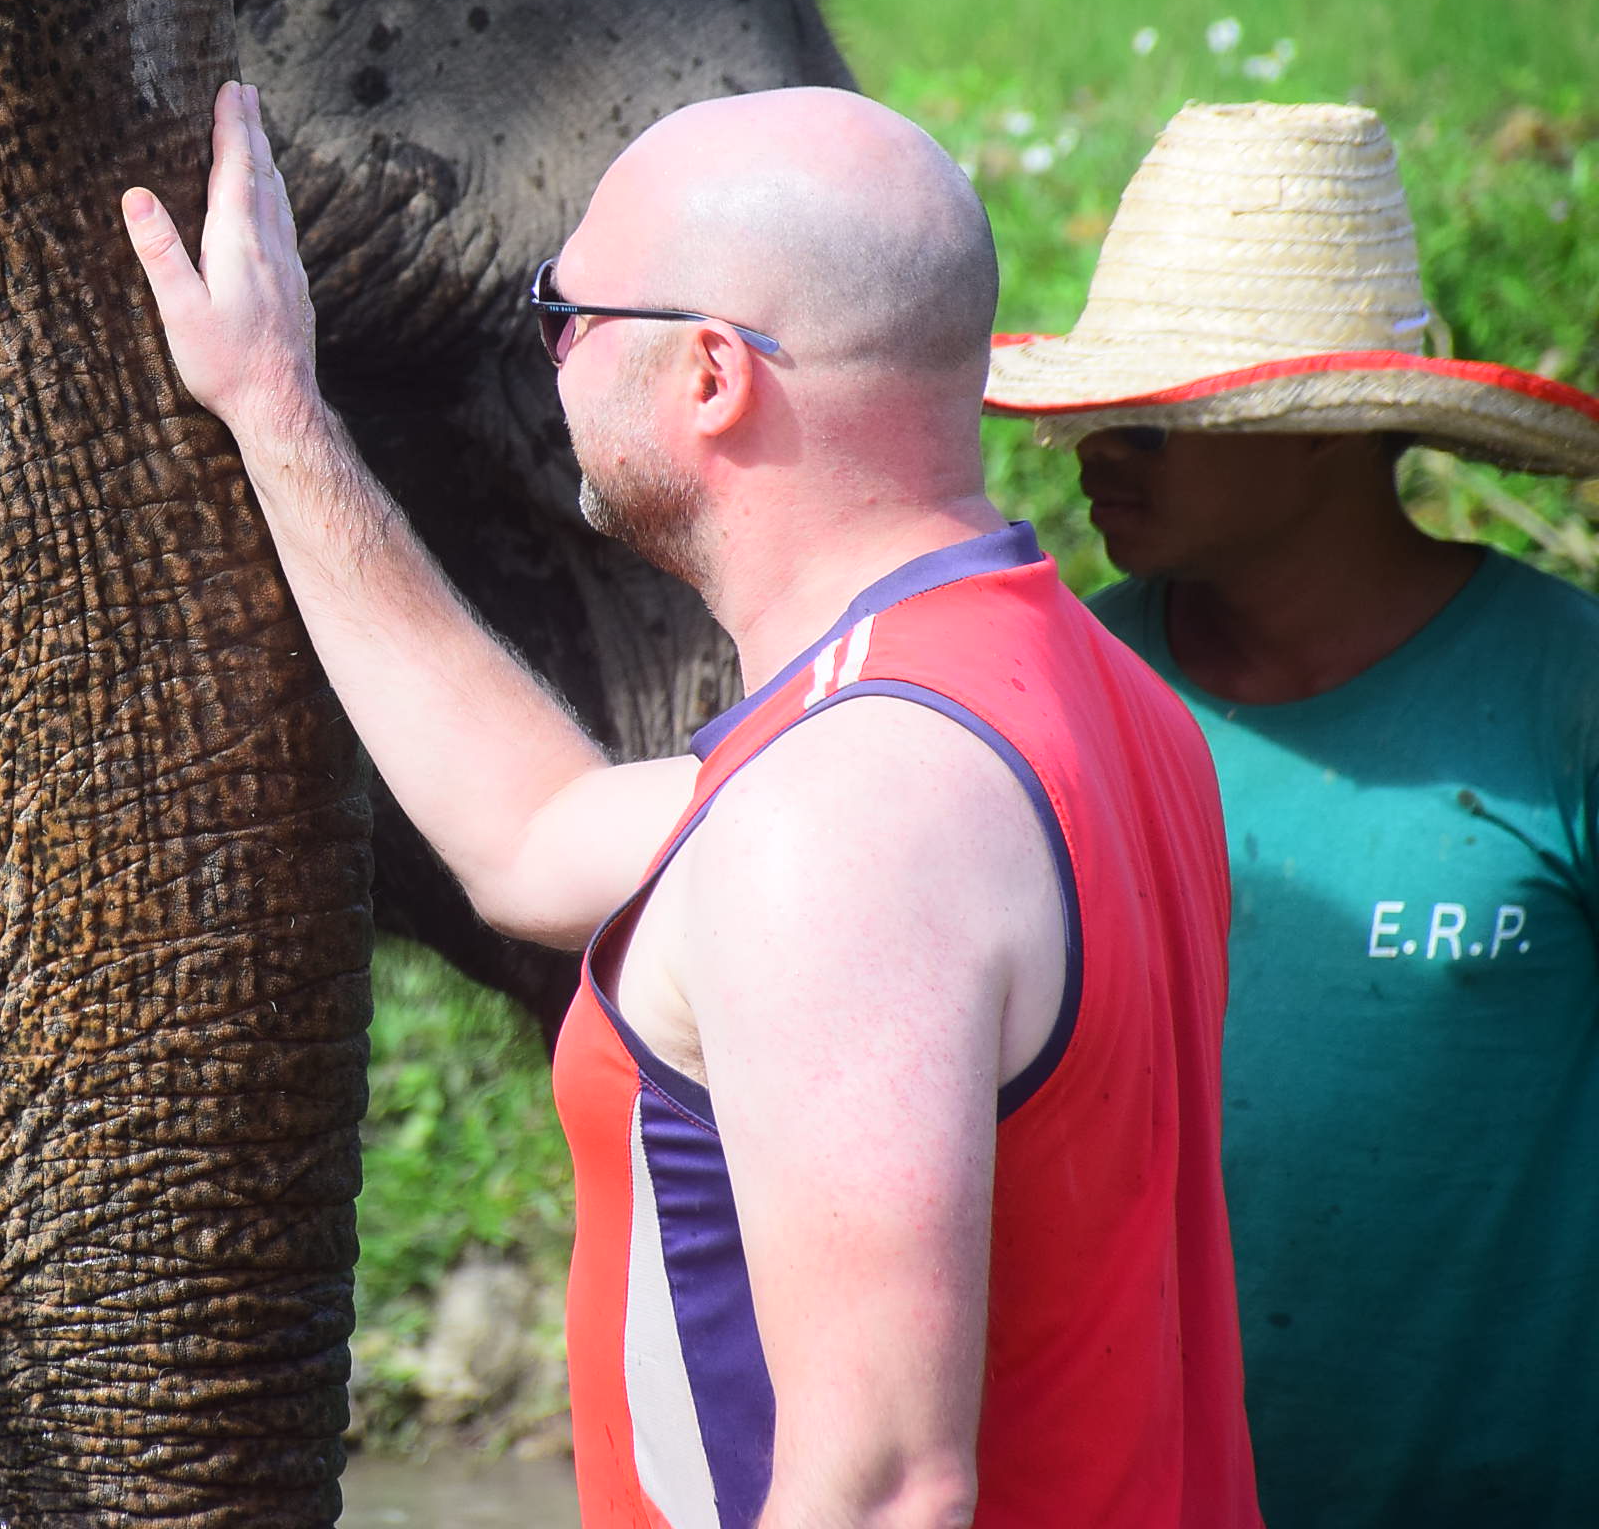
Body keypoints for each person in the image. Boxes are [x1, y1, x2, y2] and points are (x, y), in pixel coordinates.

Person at [121, 81, 1260, 1528]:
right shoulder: (1081, 701)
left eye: (566, 315)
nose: (554, 359)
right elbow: (536, 834)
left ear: (712, 375)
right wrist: (277, 409)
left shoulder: (847, 819)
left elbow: (881, 1489)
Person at [985, 100, 1599, 1525]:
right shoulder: (1061, 691)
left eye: (1159, 414)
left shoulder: (1563, 700)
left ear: (1324, 431)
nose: (1095, 449)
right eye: (1098, 408)